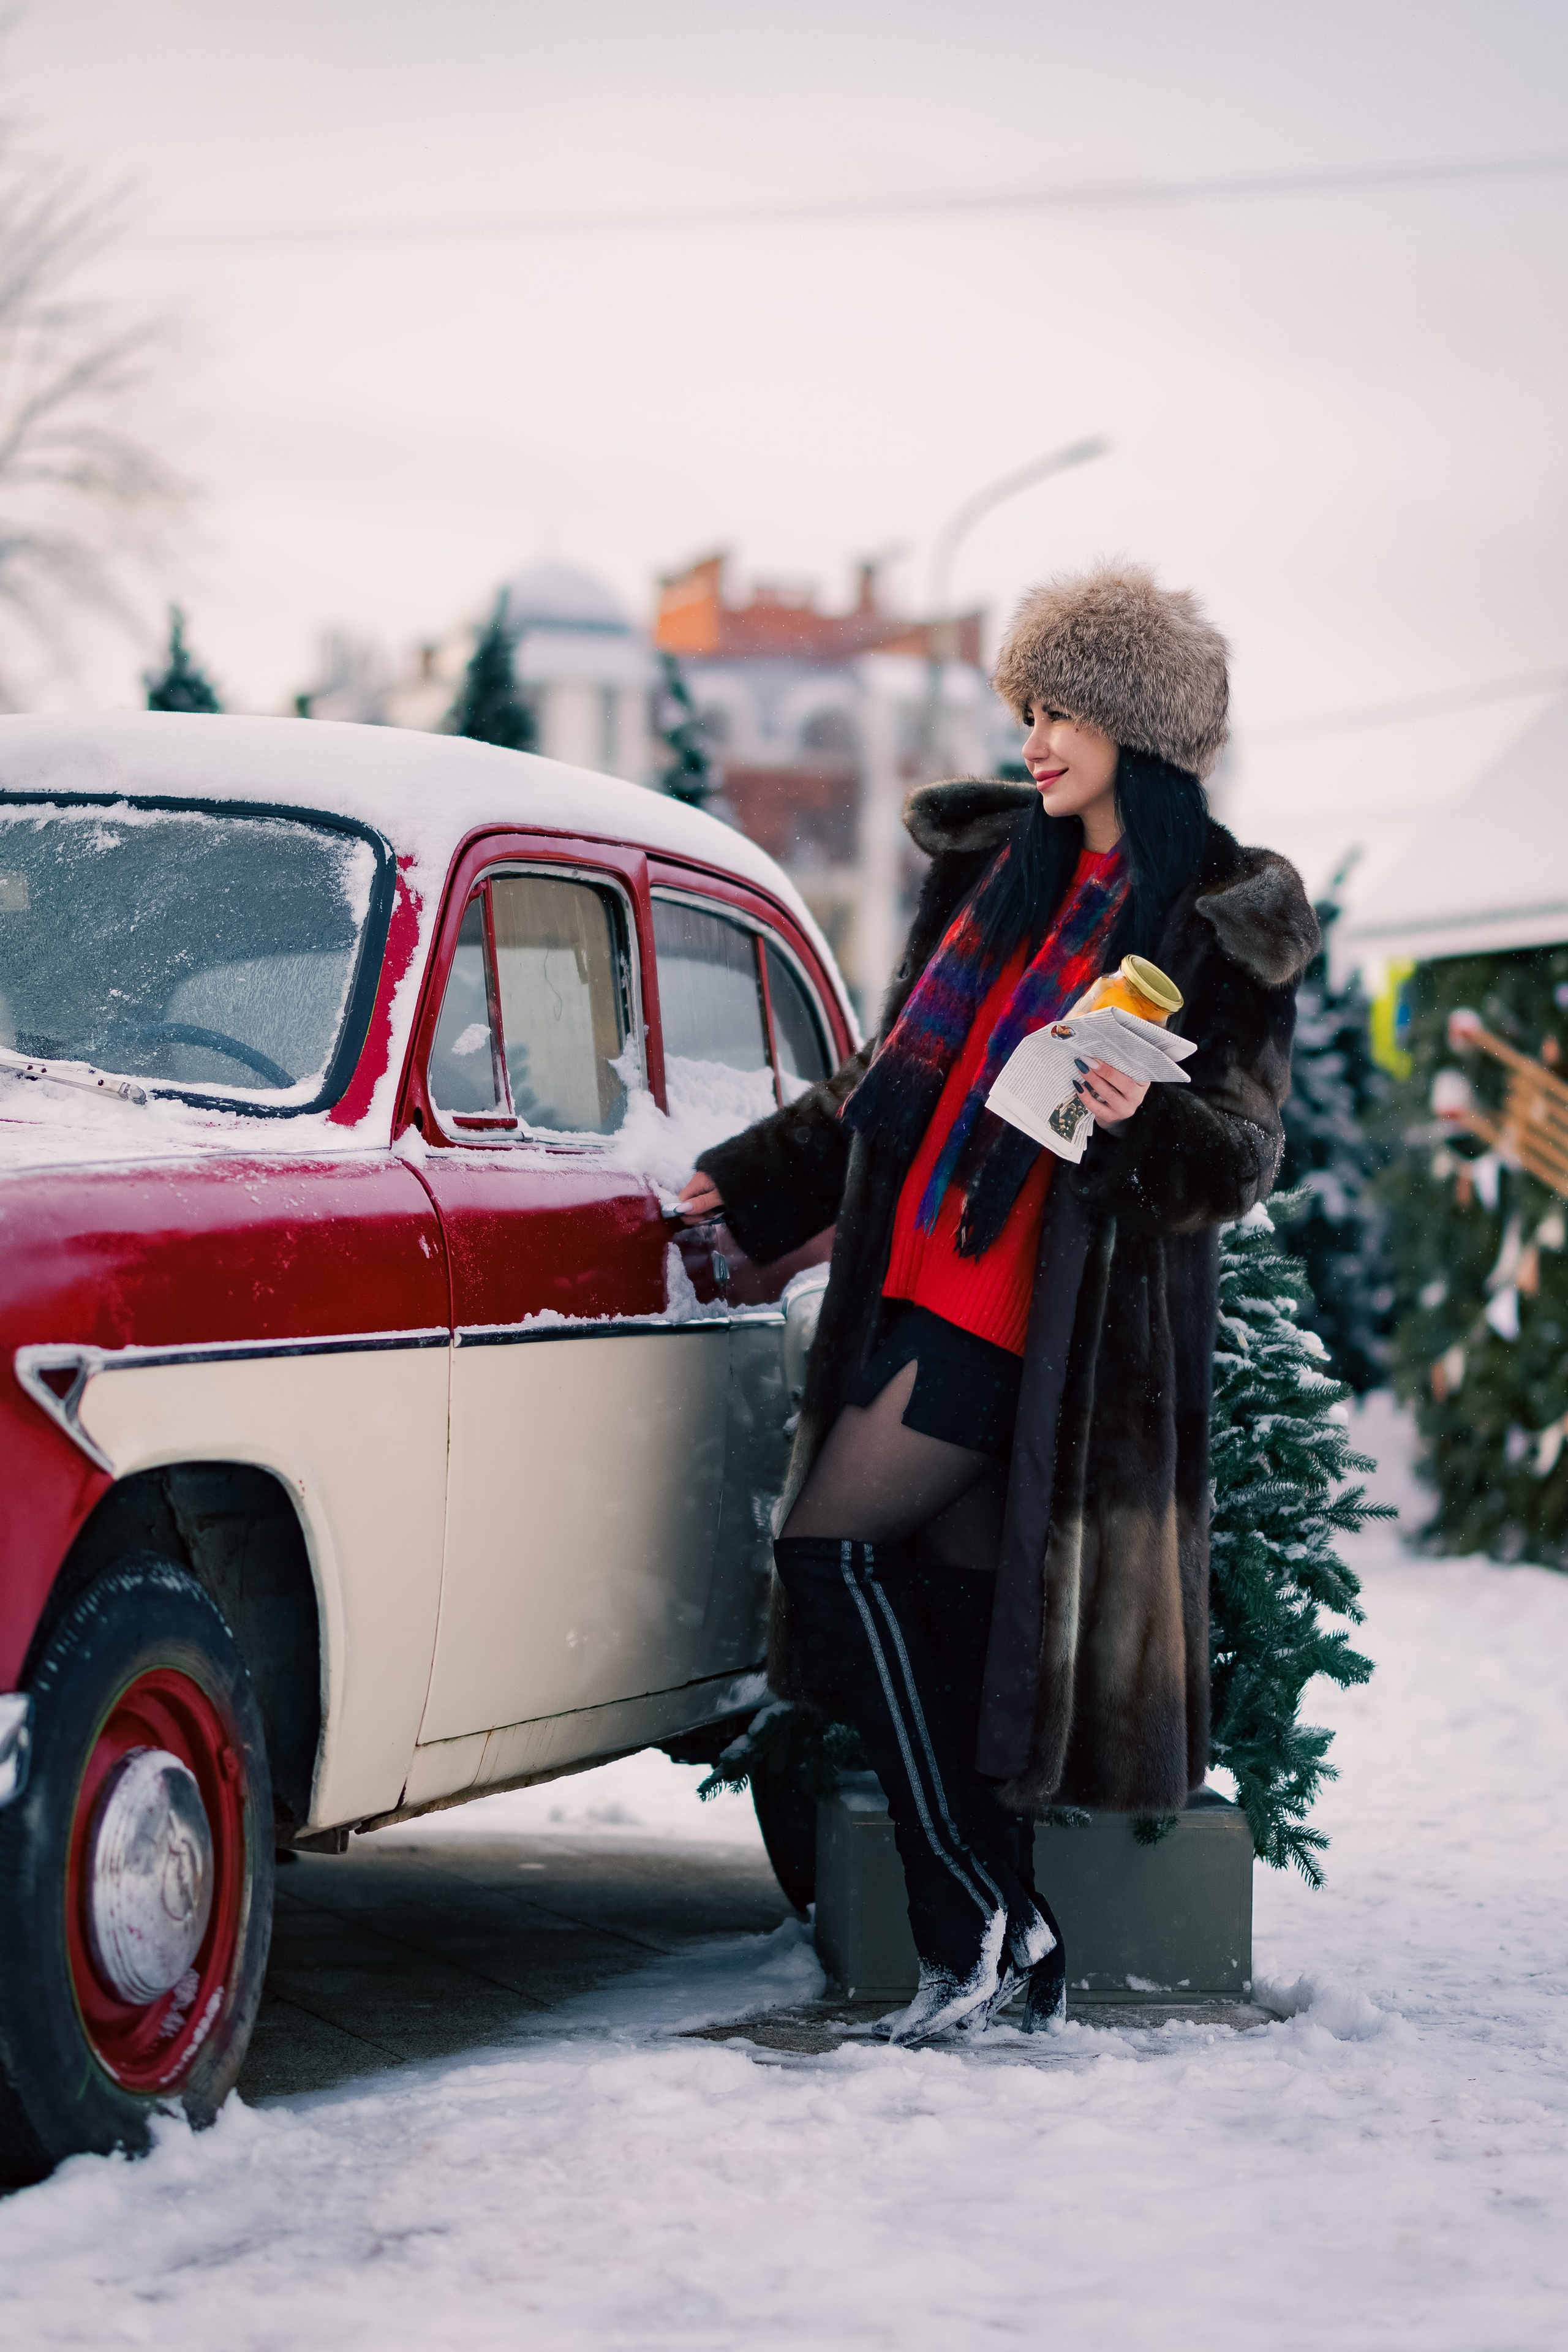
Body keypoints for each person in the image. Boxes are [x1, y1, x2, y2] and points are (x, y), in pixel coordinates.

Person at [678, 565, 1319, 2044]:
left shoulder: (1218, 918)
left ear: (1138, 728)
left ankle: (966, 1910)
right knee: (958, 1633)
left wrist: (1134, 1112)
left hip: (1042, 1314)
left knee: (828, 1548)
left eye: (1063, 711)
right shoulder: (995, 879)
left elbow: (1239, 1150)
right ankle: (1008, 1951)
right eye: (1025, 708)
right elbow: (886, 1077)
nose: (1032, 739)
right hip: (914, 1266)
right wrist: (758, 1180)